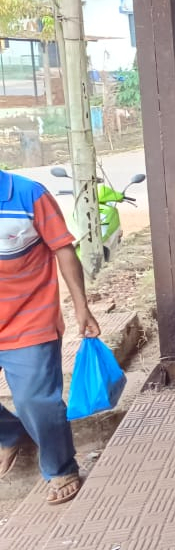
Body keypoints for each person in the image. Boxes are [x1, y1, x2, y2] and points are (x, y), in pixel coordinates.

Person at [0, 170, 100, 505]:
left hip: (29, 318)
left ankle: (59, 466)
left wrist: (81, 307)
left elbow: (63, 249)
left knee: (35, 400)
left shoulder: (29, 195)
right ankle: (12, 433)